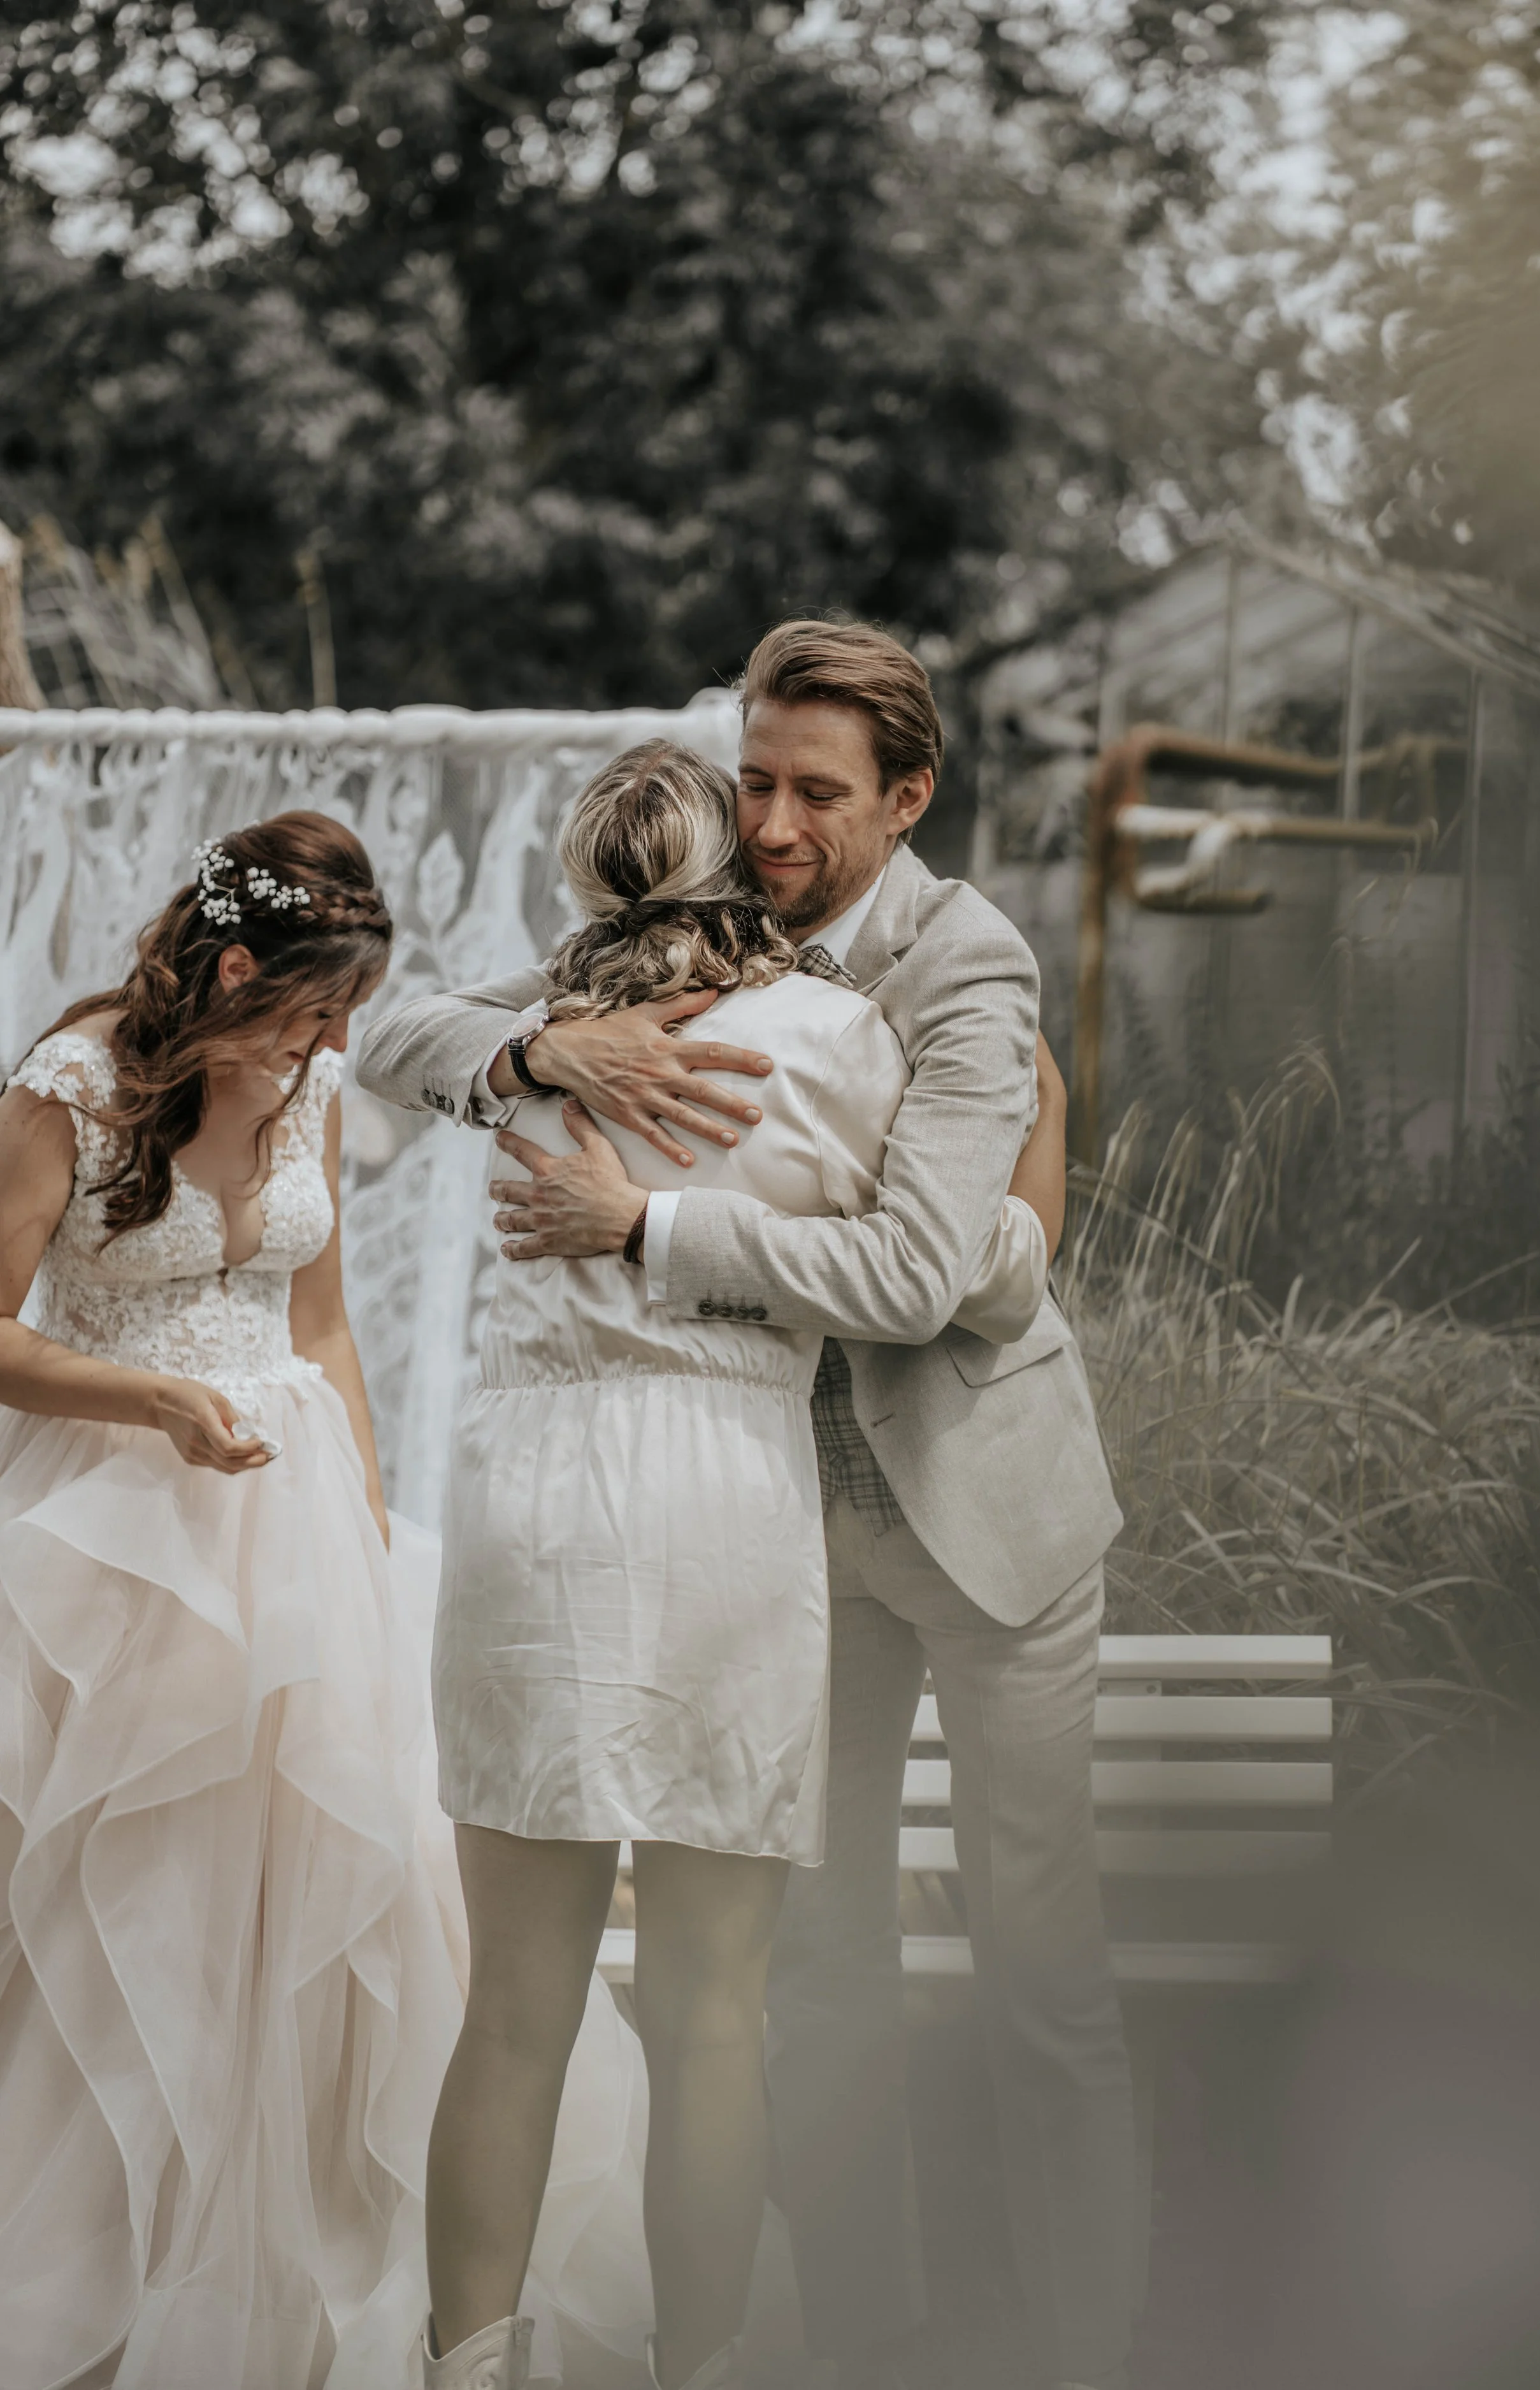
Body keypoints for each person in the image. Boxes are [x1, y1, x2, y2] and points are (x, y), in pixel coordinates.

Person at [357, 621, 1133, 2390]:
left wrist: (642, 1219)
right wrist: (550, 1051)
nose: (774, 820)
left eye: (815, 793)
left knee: (1036, 1974)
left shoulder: (961, 961)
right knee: (798, 1981)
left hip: (964, 1505)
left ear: (906, 798)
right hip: (764, 1517)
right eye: (755, 781)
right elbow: (405, 1028)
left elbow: (941, 1268)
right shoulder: (674, 993)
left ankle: (1097, 2345)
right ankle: (849, 2338)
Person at [0, 814, 647, 2390]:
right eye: (313, 1009)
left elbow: (329, 1324)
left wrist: (354, 1516)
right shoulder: (65, 1092)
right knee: (116, 1896)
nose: (335, 1042)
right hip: (99, 1532)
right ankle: (88, 2257)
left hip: (289, 1531)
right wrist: (151, 1404)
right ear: (231, 970)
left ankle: (282, 2263)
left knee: (315, 1903)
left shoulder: (314, 1091)